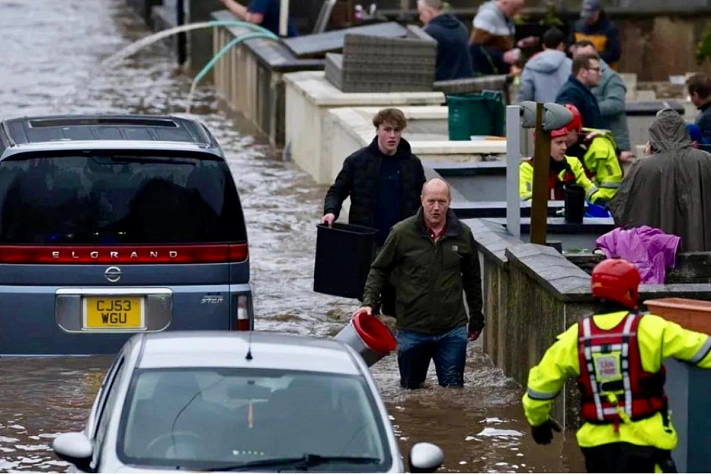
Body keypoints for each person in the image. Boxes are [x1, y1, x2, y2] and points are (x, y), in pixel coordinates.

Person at [522, 258, 711, 472]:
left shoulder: (575, 337)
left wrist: (538, 421)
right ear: (631, 293)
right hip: (647, 444)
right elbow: (704, 351)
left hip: (597, 448)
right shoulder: (652, 329)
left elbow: (539, 388)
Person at [359, 178, 484, 389]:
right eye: (431, 201)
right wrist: (369, 303)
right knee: (411, 391)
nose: (436, 208)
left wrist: (476, 317)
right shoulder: (401, 233)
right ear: (422, 201)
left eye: (442, 202)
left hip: (452, 328)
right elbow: (379, 269)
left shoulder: (463, 234)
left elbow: (472, 279)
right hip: (412, 328)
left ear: (450, 202)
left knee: (453, 392)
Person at [322, 108, 426, 316]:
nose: (392, 135)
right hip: (368, 244)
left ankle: (396, 346)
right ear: (377, 130)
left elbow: (423, 200)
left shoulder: (412, 165)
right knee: (369, 303)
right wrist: (331, 212)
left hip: (401, 246)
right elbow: (337, 190)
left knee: (398, 304)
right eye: (387, 130)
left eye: (397, 130)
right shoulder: (357, 162)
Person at [609, 109, 711, 252]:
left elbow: (621, 209)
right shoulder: (706, 161)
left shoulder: (643, 167)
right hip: (703, 258)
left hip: (657, 259)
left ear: (654, 135)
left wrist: (647, 158)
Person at [573, 40, 631, 154]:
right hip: (594, 143)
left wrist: (587, 109)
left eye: (588, 56)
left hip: (614, 144)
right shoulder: (577, 79)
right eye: (581, 57)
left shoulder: (611, 77)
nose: (585, 60)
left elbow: (616, 104)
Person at [519, 127, 602, 204]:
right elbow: (527, 202)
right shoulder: (527, 168)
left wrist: (600, 200)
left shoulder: (573, 163)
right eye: (559, 143)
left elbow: (589, 189)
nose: (564, 147)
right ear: (543, 145)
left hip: (570, 217)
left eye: (565, 142)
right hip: (544, 219)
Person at [562, 104, 623, 204]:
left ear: (577, 129)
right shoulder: (571, 145)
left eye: (566, 133)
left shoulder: (599, 147)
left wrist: (598, 204)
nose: (563, 138)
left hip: (600, 206)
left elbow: (610, 188)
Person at [469, 0, 536, 76]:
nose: (516, 13)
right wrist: (501, 56)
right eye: (514, 9)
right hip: (487, 72)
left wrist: (519, 44)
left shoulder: (506, 16)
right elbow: (474, 48)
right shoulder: (488, 16)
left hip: (502, 70)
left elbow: (502, 43)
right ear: (504, 3)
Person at [418, 0, 474, 81]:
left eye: (421, 13)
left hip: (443, 85)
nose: (420, 18)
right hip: (466, 82)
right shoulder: (461, 27)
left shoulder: (430, 32)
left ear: (429, 12)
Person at [516, 27, 571, 104]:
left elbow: (524, 93)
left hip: (539, 113)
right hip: (566, 113)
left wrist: (516, 114)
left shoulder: (531, 64)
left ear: (543, 46)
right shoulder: (571, 65)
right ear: (562, 45)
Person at [569, 0, 621, 71]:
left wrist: (592, 55)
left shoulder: (609, 29)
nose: (588, 19)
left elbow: (615, 54)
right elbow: (569, 46)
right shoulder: (577, 26)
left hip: (603, 72)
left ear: (598, 12)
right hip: (581, 72)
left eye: (591, 16)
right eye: (586, 16)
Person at [555, 52, 602, 129]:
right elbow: (567, 128)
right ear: (583, 72)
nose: (600, 74)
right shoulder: (570, 94)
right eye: (596, 69)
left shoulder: (583, 91)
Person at [219, 0, 299, 37]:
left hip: (286, 46)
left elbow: (255, 18)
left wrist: (228, 2)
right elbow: (249, 13)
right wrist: (228, 2)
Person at [686, 73, 711, 143]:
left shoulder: (708, 116)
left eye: (690, 95)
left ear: (695, 95)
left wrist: (698, 143)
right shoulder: (705, 110)